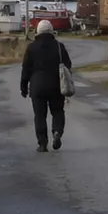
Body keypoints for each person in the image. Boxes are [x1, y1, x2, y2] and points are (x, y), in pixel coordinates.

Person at [20, 20, 72, 152]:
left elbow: (25, 69)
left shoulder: (31, 47)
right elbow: (68, 65)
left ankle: (42, 143)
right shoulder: (59, 47)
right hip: (56, 86)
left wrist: (23, 87)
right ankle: (57, 132)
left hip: (37, 86)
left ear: (37, 31)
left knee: (39, 115)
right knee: (58, 112)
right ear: (51, 30)